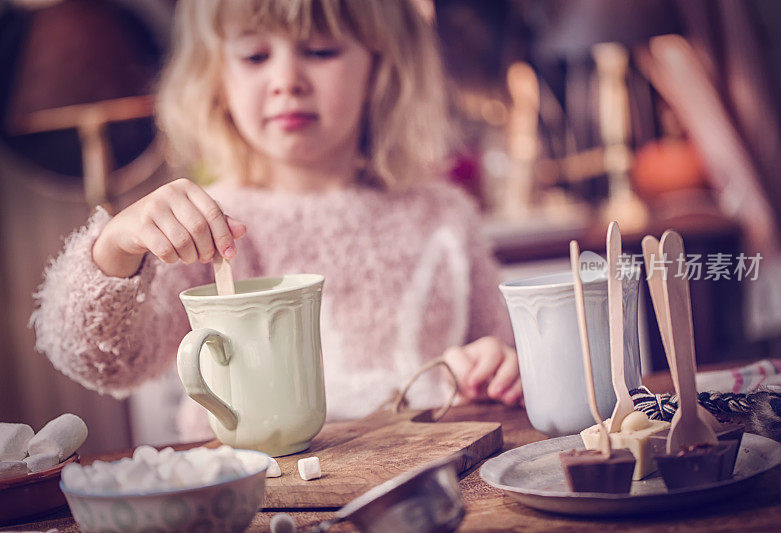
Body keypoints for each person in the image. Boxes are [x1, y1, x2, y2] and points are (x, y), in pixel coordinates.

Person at [30, 0, 521, 442]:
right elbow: (103, 362)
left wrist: (497, 368)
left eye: (321, 50)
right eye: (255, 57)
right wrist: (115, 249)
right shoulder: (208, 226)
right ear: (216, 77)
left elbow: (502, 359)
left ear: (381, 67)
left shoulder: (444, 216)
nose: (287, 80)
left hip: (424, 486)